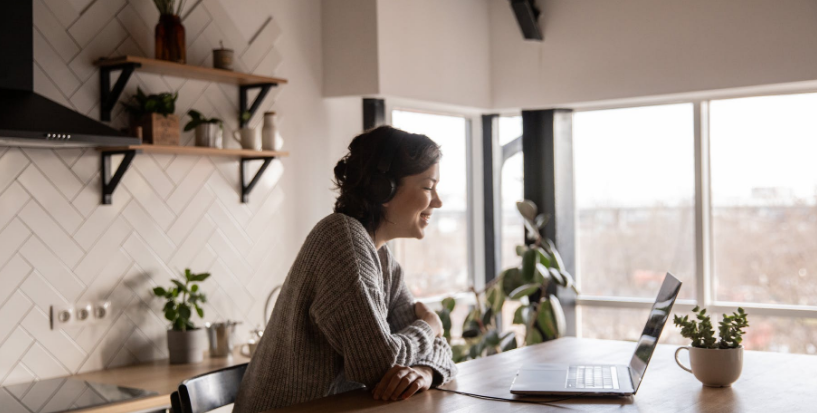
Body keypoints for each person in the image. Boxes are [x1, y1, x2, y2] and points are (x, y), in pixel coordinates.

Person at [233, 125, 458, 412]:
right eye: (428, 187)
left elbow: (435, 350)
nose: (437, 201)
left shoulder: (384, 259)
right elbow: (379, 364)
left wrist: (426, 372)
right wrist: (430, 326)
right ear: (383, 189)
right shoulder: (341, 240)